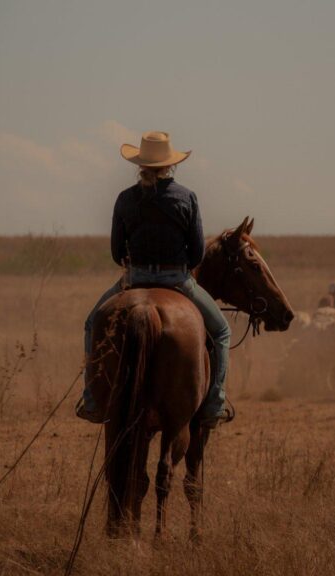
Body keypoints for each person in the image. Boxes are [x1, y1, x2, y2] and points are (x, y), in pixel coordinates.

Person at [76, 131, 233, 428]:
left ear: (140, 165)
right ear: (170, 165)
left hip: (133, 279)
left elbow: (115, 251)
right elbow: (198, 252)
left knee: (91, 323)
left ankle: (93, 401)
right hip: (178, 280)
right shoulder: (187, 197)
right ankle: (214, 404)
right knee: (222, 332)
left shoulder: (124, 198)